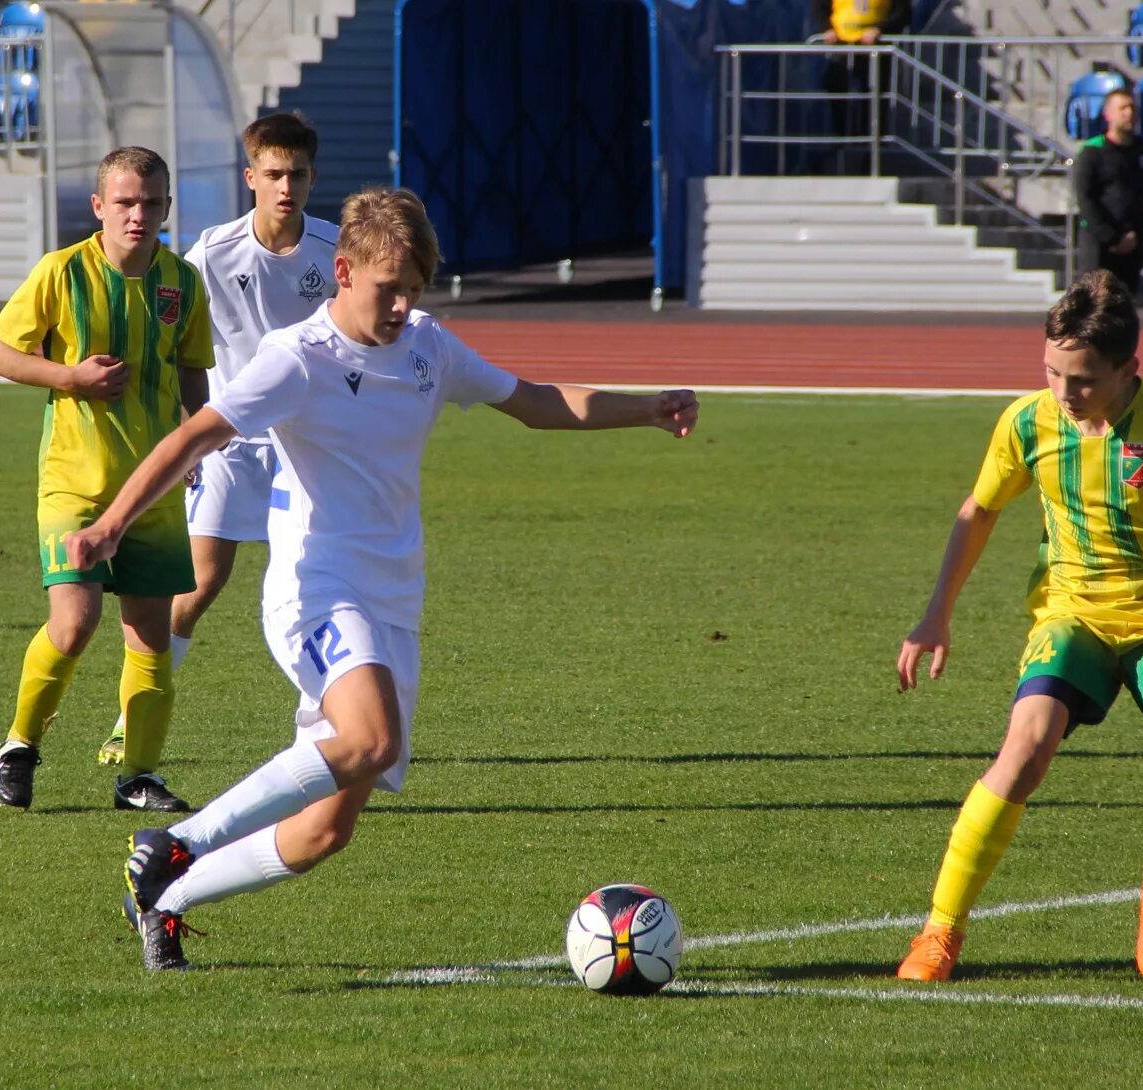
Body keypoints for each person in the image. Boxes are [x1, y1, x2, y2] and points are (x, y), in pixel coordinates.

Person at [63, 187, 700, 970]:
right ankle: (175, 842)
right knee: (370, 737)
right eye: (386, 287)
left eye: (413, 289)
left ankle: (163, 900)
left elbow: (532, 402)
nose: (400, 304)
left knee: (327, 831)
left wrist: (646, 408)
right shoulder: (298, 358)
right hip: (317, 586)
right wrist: (109, 525)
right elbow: (194, 436)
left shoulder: (429, 347)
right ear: (342, 271)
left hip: (394, 598)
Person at [892, 270, 1143, 983]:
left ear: (1128, 368)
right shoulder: (1026, 422)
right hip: (1071, 614)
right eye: (1050, 372)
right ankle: (938, 931)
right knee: (1025, 747)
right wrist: (934, 613)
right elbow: (977, 512)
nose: (1062, 393)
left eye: (1080, 380)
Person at [96, 113, 340, 764]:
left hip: (311, 445)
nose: (286, 187)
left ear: (312, 177)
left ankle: (327, 721)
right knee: (199, 585)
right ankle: (131, 716)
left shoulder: (335, 251)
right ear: (250, 177)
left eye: (297, 174)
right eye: (274, 174)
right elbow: (180, 343)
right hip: (232, 441)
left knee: (321, 584)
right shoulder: (210, 253)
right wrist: (186, 426)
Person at [0, 146, 215, 813]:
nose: (137, 214)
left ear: (167, 208)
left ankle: (137, 777)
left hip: (154, 489)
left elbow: (193, 370)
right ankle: (20, 745)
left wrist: (195, 433)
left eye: (149, 203)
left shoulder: (183, 282)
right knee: (75, 623)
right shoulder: (60, 272)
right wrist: (69, 377)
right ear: (99, 207)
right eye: (124, 202)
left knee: (149, 634)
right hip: (74, 487)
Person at [1073, 88, 1143, 296]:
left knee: (1124, 309)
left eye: (1132, 108)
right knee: (1096, 308)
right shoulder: (1093, 151)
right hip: (1099, 246)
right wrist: (1111, 238)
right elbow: (1085, 198)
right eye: (1122, 108)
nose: (1128, 113)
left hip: (1132, 244)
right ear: (1108, 114)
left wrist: (1137, 235)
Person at [811, 0, 912, 158]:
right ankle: (841, 139)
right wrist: (827, 29)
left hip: (875, 47)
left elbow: (902, 13)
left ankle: (872, 150)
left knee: (874, 95)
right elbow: (818, 8)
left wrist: (880, 29)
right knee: (836, 88)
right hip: (842, 45)